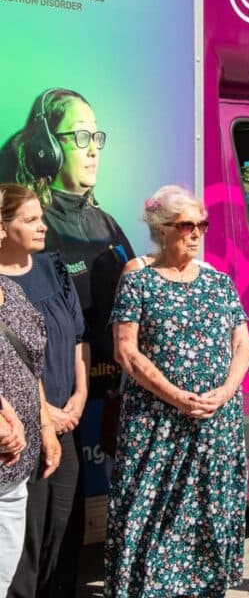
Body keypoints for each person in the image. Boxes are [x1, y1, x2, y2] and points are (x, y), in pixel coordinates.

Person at [106, 185, 249, 598]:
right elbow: (126, 352)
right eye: (188, 226)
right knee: (157, 509)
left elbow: (243, 344)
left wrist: (226, 392)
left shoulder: (217, 280)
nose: (197, 234)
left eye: (202, 225)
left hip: (215, 419)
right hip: (156, 418)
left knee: (211, 507)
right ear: (162, 229)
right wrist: (174, 395)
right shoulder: (139, 278)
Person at [0, 185, 95, 598]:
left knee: (65, 519)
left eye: (42, 218)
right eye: (31, 219)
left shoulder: (54, 266)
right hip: (30, 419)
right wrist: (45, 415)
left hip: (67, 412)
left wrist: (80, 394)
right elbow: (20, 363)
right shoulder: (1, 286)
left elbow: (79, 337)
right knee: (28, 525)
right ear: (4, 228)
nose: (42, 225)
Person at [0, 89, 134, 399]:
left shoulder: (106, 222)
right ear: (47, 149)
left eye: (95, 137)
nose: (93, 151)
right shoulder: (34, 230)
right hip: (56, 391)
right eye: (80, 137)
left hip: (109, 384)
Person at [0, 186, 61, 598]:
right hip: (1, 443)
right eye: (31, 217)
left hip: (18, 453)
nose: (43, 226)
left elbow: (30, 367)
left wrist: (41, 423)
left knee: (4, 556)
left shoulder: (14, 291)